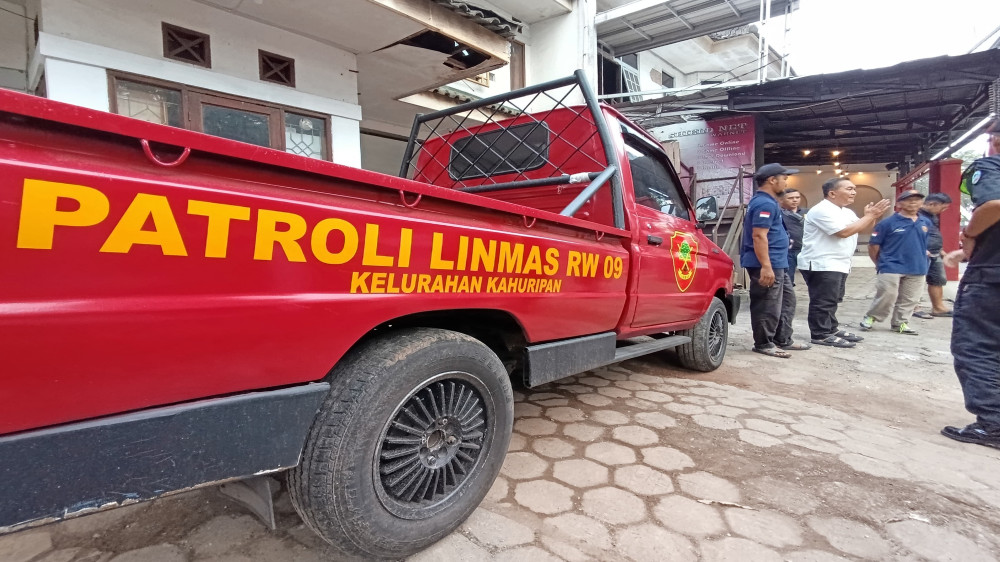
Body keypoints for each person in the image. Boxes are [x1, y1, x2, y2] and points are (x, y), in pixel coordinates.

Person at [941, 123, 1000, 448]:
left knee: (977, 347)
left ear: (994, 141)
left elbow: (993, 205)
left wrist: (972, 236)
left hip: (992, 275)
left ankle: (992, 423)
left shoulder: (992, 166)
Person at [798, 178, 891, 348]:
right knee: (823, 300)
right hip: (822, 263)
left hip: (839, 263)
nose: (854, 192)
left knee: (833, 299)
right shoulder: (821, 210)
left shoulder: (846, 212)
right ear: (832, 193)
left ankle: (831, 328)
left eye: (854, 189)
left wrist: (871, 217)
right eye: (849, 189)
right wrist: (870, 215)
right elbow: (843, 232)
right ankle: (820, 333)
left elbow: (860, 227)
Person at [740, 163, 810, 358]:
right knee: (767, 304)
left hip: (778, 262)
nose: (786, 182)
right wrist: (766, 267)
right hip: (767, 264)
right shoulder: (764, 204)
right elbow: (759, 236)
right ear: (772, 180)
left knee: (787, 300)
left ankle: (783, 339)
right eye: (784, 178)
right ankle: (763, 343)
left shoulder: (770, 202)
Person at [858, 190, 933, 335]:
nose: (913, 202)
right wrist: (879, 263)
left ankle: (900, 323)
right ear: (899, 204)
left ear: (922, 203)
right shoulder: (887, 223)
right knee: (887, 294)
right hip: (891, 265)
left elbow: (924, 242)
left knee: (910, 298)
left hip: (917, 266)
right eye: (908, 199)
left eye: (917, 199)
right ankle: (872, 317)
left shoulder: (925, 222)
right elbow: (874, 246)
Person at [912, 193, 953, 319]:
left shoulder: (932, 216)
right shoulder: (915, 215)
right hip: (919, 253)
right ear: (932, 204)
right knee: (915, 281)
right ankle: (914, 307)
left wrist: (941, 250)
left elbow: (933, 234)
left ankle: (938, 307)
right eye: (943, 207)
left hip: (935, 252)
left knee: (937, 279)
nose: (943, 211)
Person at [780, 188, 807, 285]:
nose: (795, 200)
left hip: (805, 250)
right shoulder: (779, 214)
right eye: (791, 198)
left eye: (797, 197)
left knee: (815, 281)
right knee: (787, 281)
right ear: (782, 200)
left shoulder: (807, 212)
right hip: (788, 251)